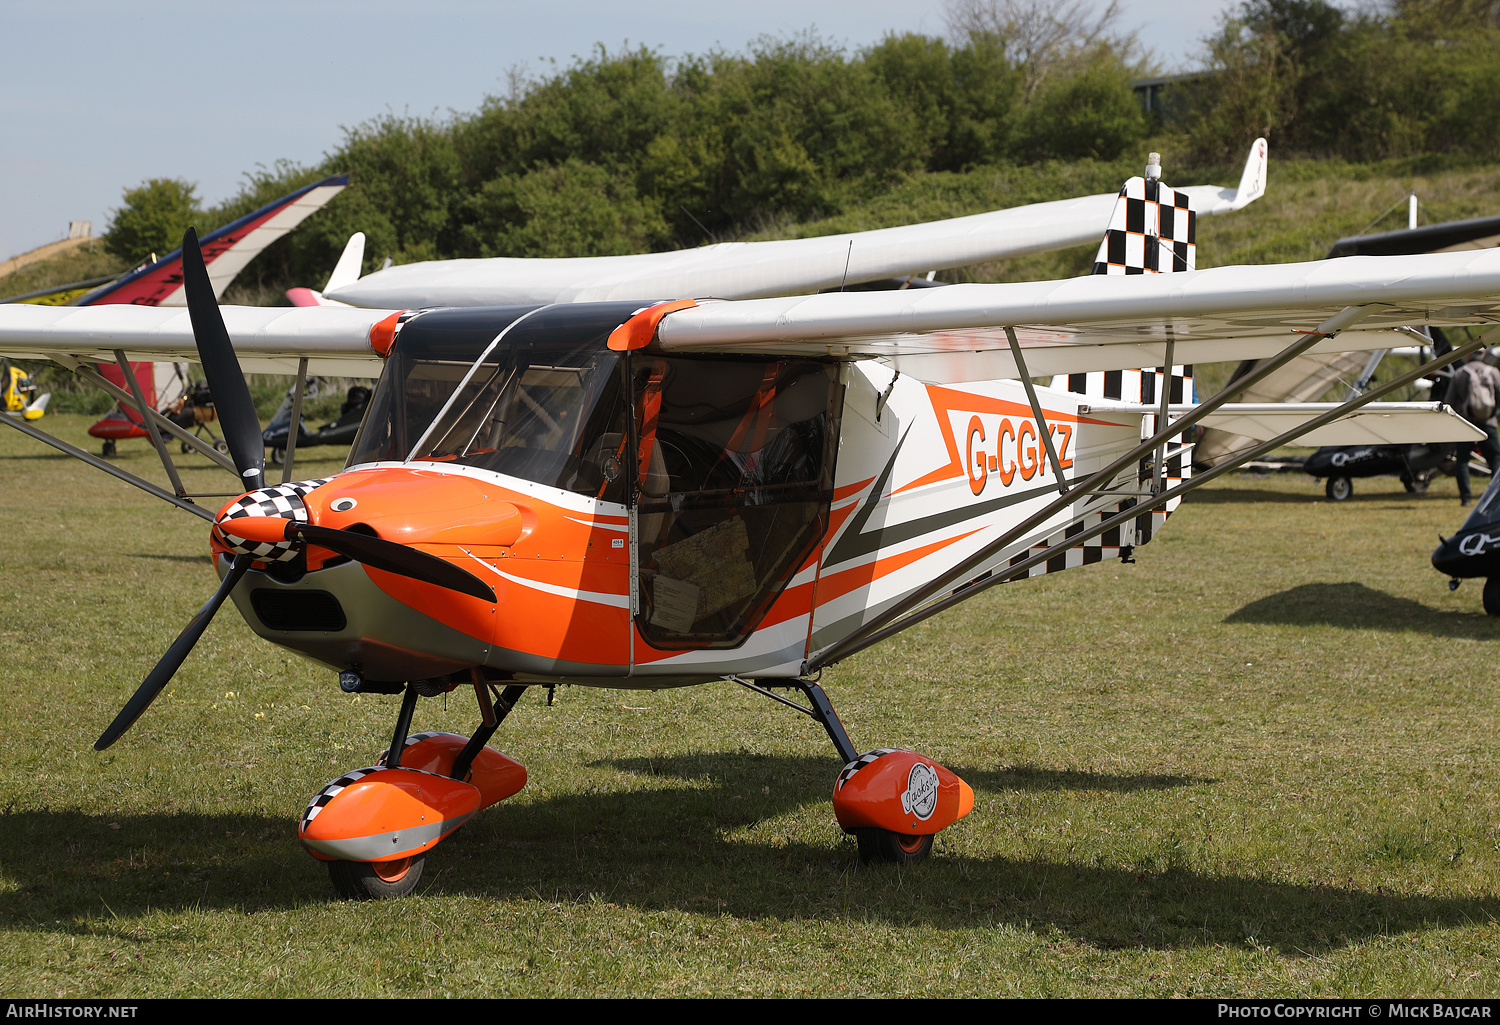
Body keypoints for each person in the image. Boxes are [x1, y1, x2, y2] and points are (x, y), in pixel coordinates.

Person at [1446, 350, 1500, 506]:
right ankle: (1495, 497)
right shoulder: (1493, 372)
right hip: (1488, 423)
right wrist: (1494, 415)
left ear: (1468, 355)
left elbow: (1449, 401)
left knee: (1462, 461)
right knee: (1495, 459)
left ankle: (1466, 499)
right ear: (1483, 355)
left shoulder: (1459, 373)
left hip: (1466, 423)